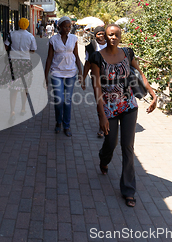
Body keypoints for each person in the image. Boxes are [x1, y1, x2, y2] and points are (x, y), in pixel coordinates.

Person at [89, 24, 157, 207]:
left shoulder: (128, 54)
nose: (113, 37)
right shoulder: (97, 57)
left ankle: (128, 190)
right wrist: (101, 114)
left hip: (128, 106)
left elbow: (140, 74)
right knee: (111, 143)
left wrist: (153, 94)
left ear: (120, 37)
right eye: (110, 35)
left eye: (116, 35)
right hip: (108, 107)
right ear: (105, 35)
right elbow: (96, 87)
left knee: (127, 147)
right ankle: (104, 158)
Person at [44, 16, 83, 137]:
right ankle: (58, 122)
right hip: (56, 73)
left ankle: (66, 125)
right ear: (59, 27)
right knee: (59, 100)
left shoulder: (74, 39)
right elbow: (49, 58)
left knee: (67, 101)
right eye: (65, 26)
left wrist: (81, 73)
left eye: (69, 27)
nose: (67, 29)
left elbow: (76, 56)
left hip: (71, 73)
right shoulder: (53, 40)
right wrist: (45, 76)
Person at [0, 18, 37, 123]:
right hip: (25, 63)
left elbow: (5, 46)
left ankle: (12, 111)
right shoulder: (30, 36)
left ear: (19, 24)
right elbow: (33, 50)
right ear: (27, 25)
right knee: (24, 88)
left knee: (13, 89)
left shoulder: (11, 34)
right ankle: (23, 108)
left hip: (13, 63)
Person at [81, 26, 107, 137]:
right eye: (99, 34)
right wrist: (83, 78)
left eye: (103, 33)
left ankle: (110, 121)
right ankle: (102, 126)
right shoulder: (90, 46)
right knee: (99, 101)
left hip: (110, 78)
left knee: (109, 99)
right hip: (96, 78)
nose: (101, 36)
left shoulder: (111, 44)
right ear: (95, 35)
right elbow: (87, 63)